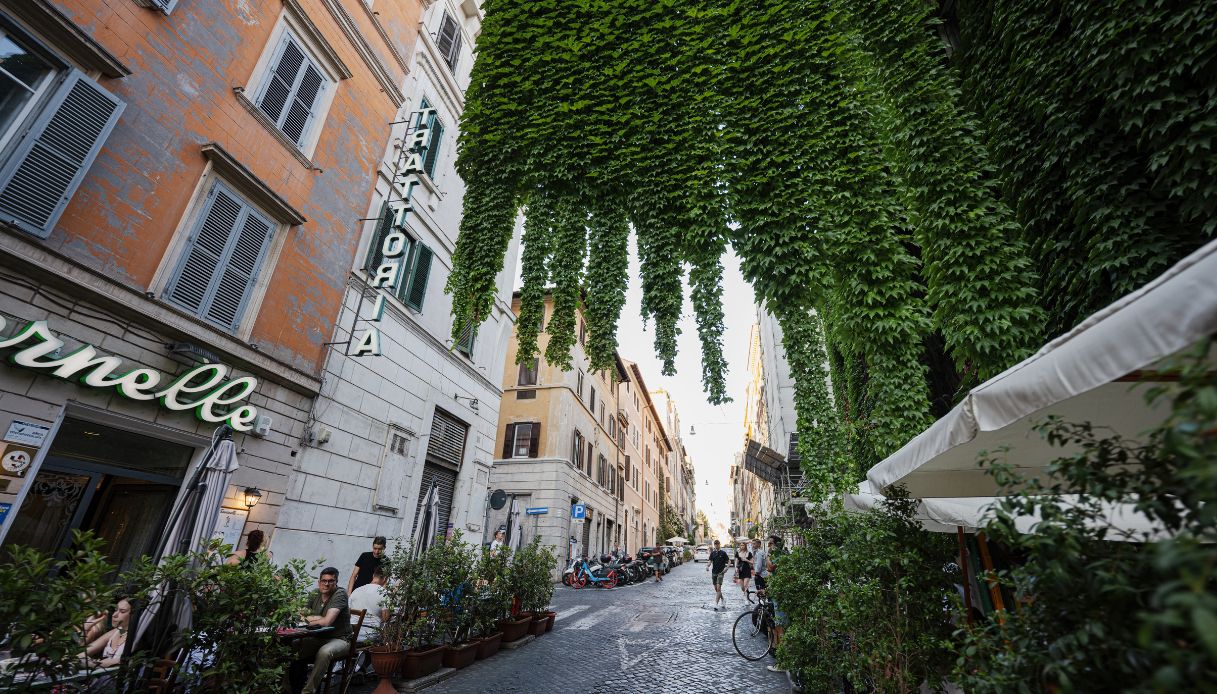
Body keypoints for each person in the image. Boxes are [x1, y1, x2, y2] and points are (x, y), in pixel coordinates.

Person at [290, 567, 351, 694]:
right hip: (317, 637)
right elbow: (298, 615)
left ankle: (308, 691)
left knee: (325, 652)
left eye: (331, 581)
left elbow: (327, 621)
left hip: (340, 639)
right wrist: (317, 618)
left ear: (336, 582)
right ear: (319, 582)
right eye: (324, 580)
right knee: (294, 646)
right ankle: (288, 688)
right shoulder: (315, 593)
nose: (327, 584)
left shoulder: (340, 594)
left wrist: (309, 618)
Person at [78, 597, 131, 668]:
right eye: (115, 610)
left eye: (122, 611)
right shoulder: (117, 631)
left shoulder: (136, 635)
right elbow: (84, 652)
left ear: (133, 615)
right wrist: (85, 629)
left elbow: (125, 661)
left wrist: (93, 664)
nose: (114, 615)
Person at [765, 535, 787, 674]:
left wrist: (768, 556)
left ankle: (784, 662)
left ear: (777, 545)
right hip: (776, 595)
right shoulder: (779, 554)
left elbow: (771, 568)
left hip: (781, 596)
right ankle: (783, 660)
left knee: (782, 627)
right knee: (779, 627)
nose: (769, 546)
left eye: (771, 544)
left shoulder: (780, 555)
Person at [347, 566, 389, 638]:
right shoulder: (384, 593)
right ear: (385, 579)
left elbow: (347, 614)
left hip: (352, 634)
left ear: (373, 576)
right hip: (370, 636)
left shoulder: (356, 590)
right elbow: (385, 619)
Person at [706, 540, 730, 610]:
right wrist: (707, 566)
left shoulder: (723, 553)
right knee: (716, 589)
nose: (716, 545)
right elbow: (710, 561)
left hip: (721, 572)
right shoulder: (712, 553)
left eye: (717, 544)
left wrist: (727, 568)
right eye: (715, 544)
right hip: (714, 572)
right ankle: (723, 599)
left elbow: (729, 561)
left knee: (719, 588)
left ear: (719, 544)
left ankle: (716, 604)